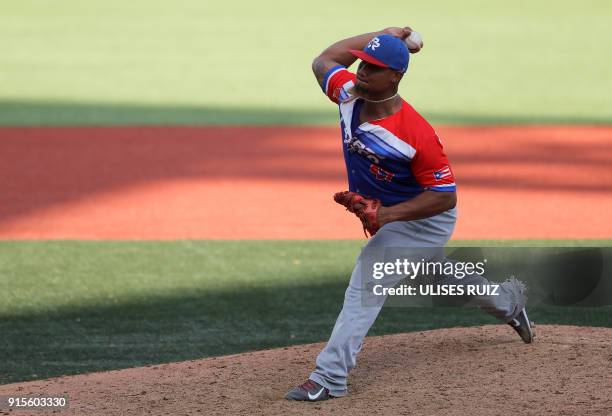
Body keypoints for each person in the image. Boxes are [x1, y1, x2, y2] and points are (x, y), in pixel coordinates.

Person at [284, 27, 534, 402]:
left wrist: (386, 216)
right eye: (363, 64)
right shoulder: (348, 95)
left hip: (424, 219)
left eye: (375, 68)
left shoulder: (416, 134)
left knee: (368, 278)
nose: (363, 72)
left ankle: (330, 376)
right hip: (400, 216)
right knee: (443, 274)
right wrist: (380, 34)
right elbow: (325, 61)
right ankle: (509, 304)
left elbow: (445, 197)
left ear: (396, 76)